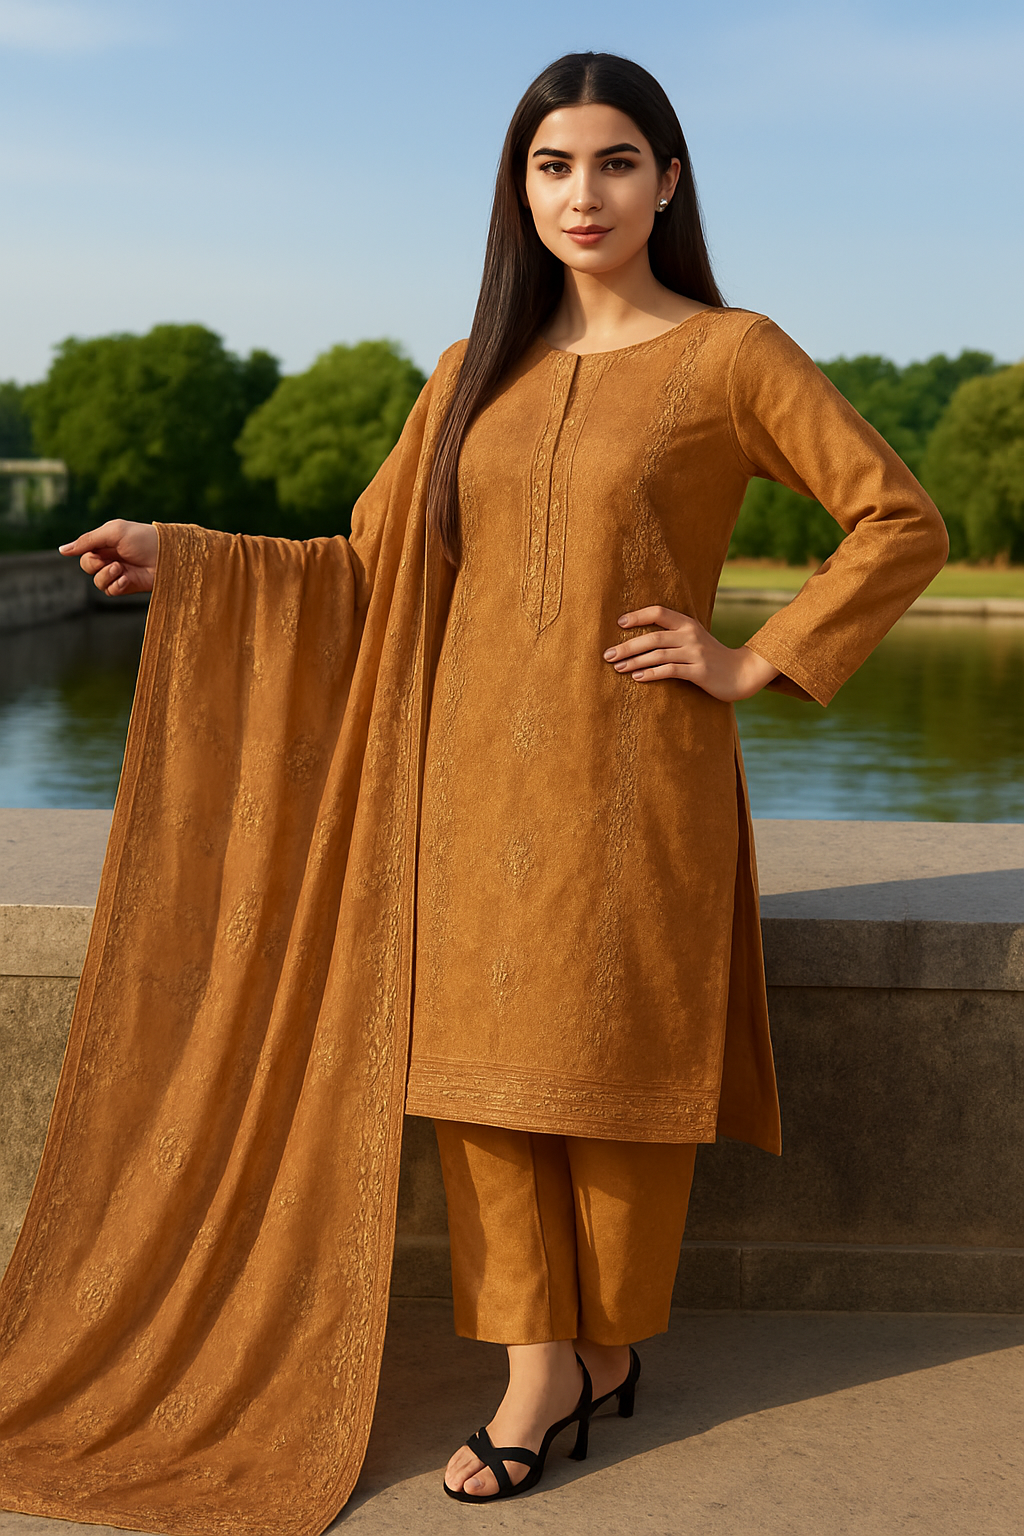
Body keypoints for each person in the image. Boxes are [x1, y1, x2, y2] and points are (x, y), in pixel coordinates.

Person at [4, 51, 946, 1529]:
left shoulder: (734, 355)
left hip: (640, 787)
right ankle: (535, 1367)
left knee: (619, 1090)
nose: (587, 193)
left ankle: (610, 1340)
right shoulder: (468, 373)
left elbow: (899, 519)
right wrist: (188, 555)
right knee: (485, 1095)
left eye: (618, 161)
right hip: (459, 792)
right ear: (520, 189)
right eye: (555, 166)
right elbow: (367, 577)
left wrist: (753, 657)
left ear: (671, 180)